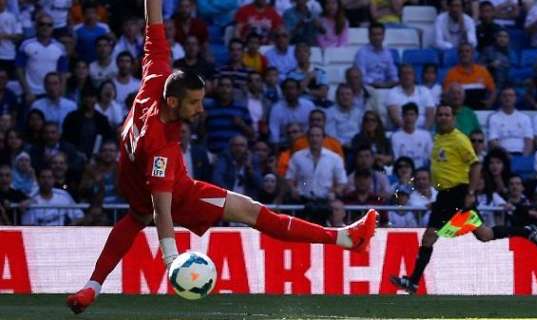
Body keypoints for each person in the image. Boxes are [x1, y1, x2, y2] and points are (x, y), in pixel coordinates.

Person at [66, 1, 378, 313]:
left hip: (131, 179)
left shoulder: (155, 76)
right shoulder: (161, 144)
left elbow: (153, 23)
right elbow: (163, 210)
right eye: (195, 103)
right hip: (176, 193)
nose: (201, 109)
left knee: (135, 217)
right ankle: (344, 239)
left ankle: (91, 287)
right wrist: (172, 259)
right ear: (173, 102)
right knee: (255, 213)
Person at [390, 104, 537, 294]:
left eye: (447, 115)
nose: (443, 117)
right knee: (484, 235)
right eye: (440, 114)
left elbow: (476, 165)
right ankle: (526, 231)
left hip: (457, 193)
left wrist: (470, 193)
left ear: (453, 118)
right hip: (446, 195)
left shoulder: (459, 139)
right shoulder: (438, 138)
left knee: (430, 236)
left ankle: (413, 282)